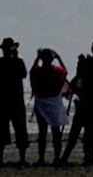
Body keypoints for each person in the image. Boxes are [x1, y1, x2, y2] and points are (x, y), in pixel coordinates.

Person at [29, 48, 69, 166]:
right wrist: (59, 57)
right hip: (53, 101)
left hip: (42, 100)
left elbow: (31, 72)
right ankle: (56, 157)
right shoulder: (56, 71)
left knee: (42, 132)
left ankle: (42, 158)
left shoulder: (38, 71)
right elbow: (65, 71)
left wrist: (37, 58)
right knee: (55, 132)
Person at [0, 38, 28, 166]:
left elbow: (23, 74)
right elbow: (23, 74)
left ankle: (3, 158)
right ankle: (22, 158)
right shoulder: (17, 61)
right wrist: (16, 55)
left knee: (4, 130)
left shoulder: (3, 62)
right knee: (19, 129)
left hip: (4, 101)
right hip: (14, 100)